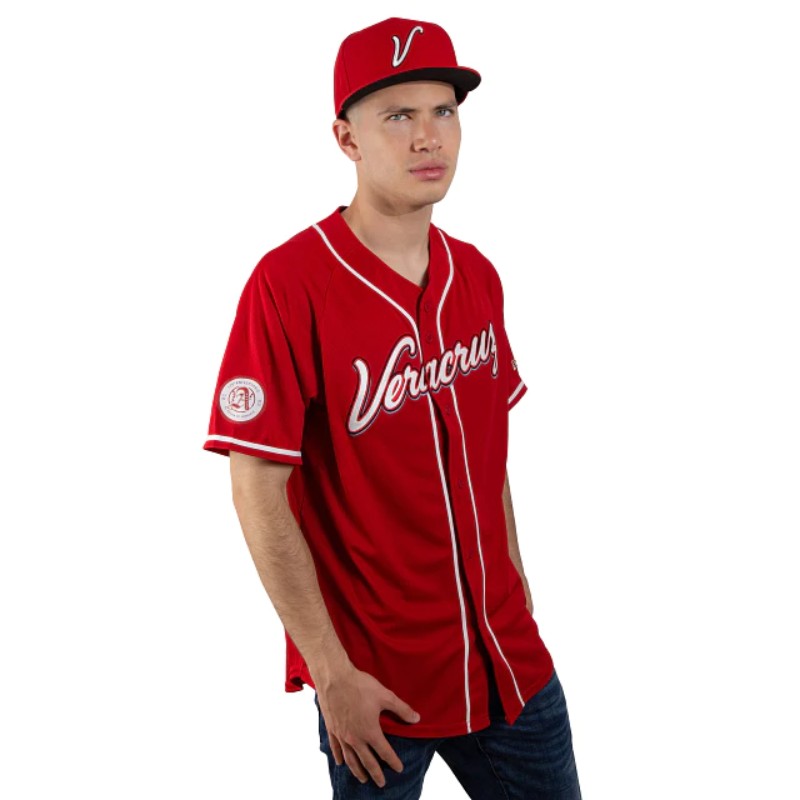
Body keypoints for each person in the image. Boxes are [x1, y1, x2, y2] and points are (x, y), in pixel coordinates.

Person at [203, 16, 582, 799]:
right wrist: (330, 673)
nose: (427, 137)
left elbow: (490, 457)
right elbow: (256, 489)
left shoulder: (477, 274)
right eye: (398, 116)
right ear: (347, 139)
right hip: (377, 689)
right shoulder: (288, 284)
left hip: (511, 667)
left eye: (443, 111)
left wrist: (518, 589)